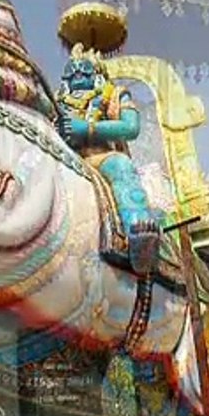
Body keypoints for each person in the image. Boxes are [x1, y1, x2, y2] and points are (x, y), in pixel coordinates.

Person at [57, 43, 161, 276]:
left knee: (121, 167)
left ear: (96, 72)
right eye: (71, 71)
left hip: (100, 157)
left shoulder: (114, 94)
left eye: (83, 70)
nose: (77, 75)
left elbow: (131, 127)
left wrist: (88, 129)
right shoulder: (58, 101)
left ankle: (139, 229)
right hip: (64, 159)